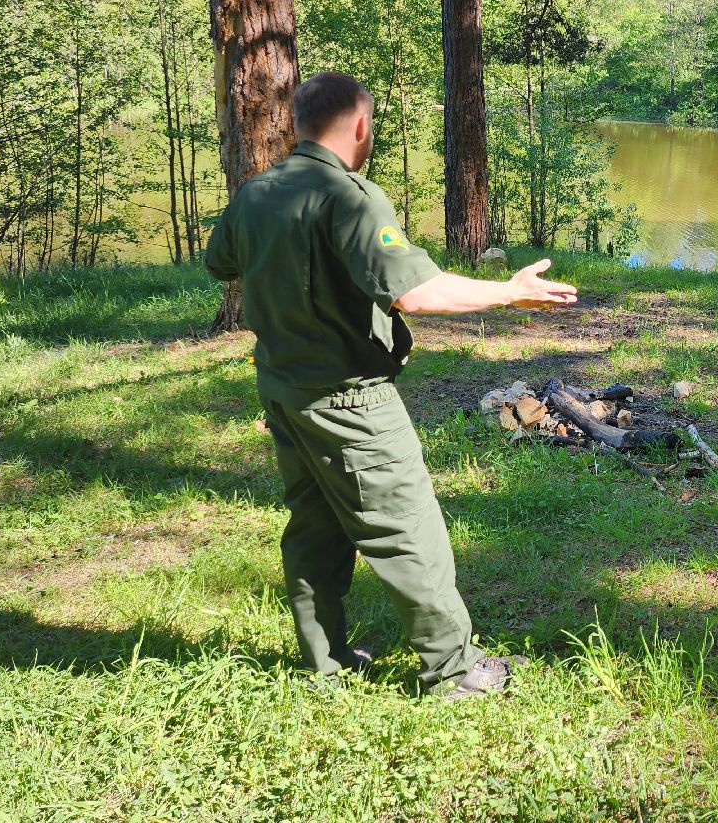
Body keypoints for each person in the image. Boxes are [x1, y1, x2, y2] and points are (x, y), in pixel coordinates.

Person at [205, 70, 577, 698]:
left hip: (284, 391)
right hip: (350, 399)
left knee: (315, 525)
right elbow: (414, 290)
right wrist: (510, 293)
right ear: (359, 126)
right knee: (408, 529)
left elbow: (221, 261)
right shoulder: (350, 196)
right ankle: (454, 672)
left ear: (298, 124)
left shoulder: (255, 193)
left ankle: (325, 661)